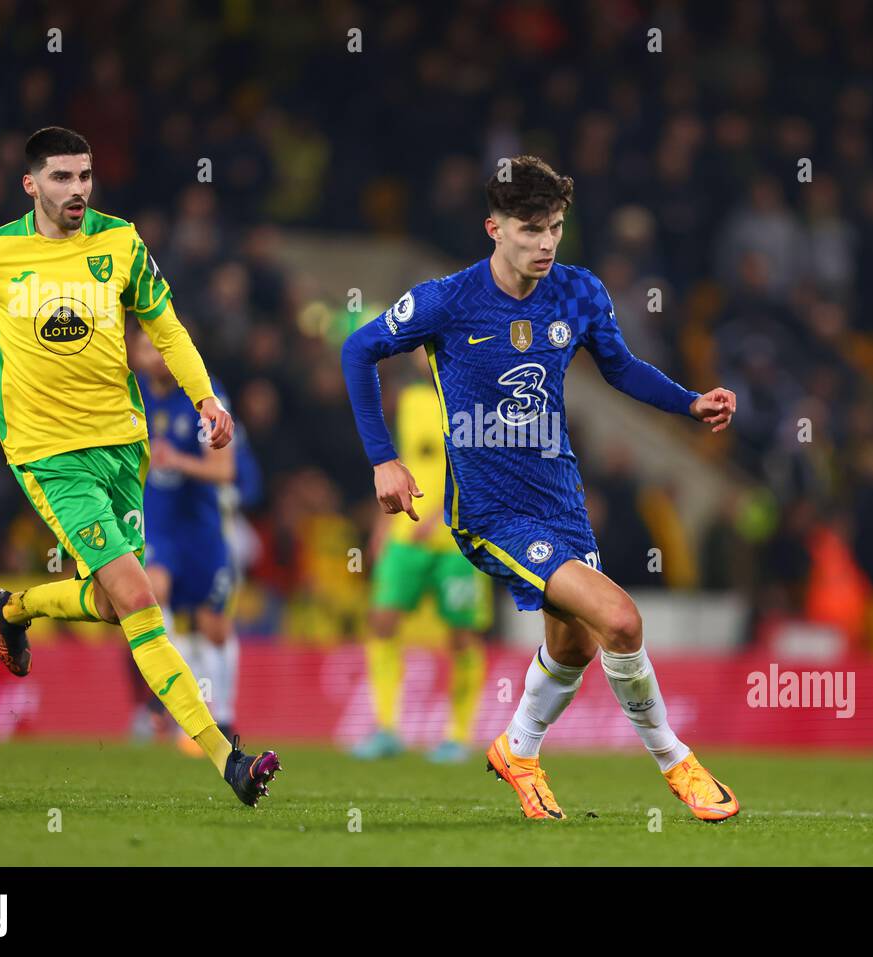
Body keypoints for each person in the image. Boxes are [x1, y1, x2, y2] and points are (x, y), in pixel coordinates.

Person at [341, 155, 740, 821]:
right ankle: (677, 761)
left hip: (560, 501)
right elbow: (357, 349)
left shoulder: (578, 292)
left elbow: (622, 368)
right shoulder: (448, 299)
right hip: (491, 511)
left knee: (575, 645)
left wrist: (690, 402)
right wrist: (382, 459)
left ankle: (517, 750)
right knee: (619, 619)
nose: (546, 242)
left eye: (555, 227)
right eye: (531, 229)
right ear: (494, 228)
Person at [0, 126, 278, 806]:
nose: (77, 190)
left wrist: (205, 397)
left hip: (121, 445)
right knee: (140, 597)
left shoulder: (122, 242)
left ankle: (15, 609)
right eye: (61, 178)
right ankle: (228, 758)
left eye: (84, 177)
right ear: (31, 185)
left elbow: (165, 327)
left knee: (112, 604)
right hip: (48, 454)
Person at [352, 361, 492, 764]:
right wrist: (382, 527)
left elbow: (478, 468)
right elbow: (395, 464)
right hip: (404, 539)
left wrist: (439, 514)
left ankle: (458, 735)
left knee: (461, 635)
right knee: (382, 619)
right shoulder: (409, 399)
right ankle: (386, 728)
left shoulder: (474, 397)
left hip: (457, 541)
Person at [127, 327, 242, 750]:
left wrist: (177, 460)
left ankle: (224, 717)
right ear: (134, 355)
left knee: (214, 627)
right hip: (157, 525)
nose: (154, 354)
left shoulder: (204, 396)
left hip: (202, 528)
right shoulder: (129, 393)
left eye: (161, 345)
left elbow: (226, 471)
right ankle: (175, 708)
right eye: (145, 347)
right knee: (153, 595)